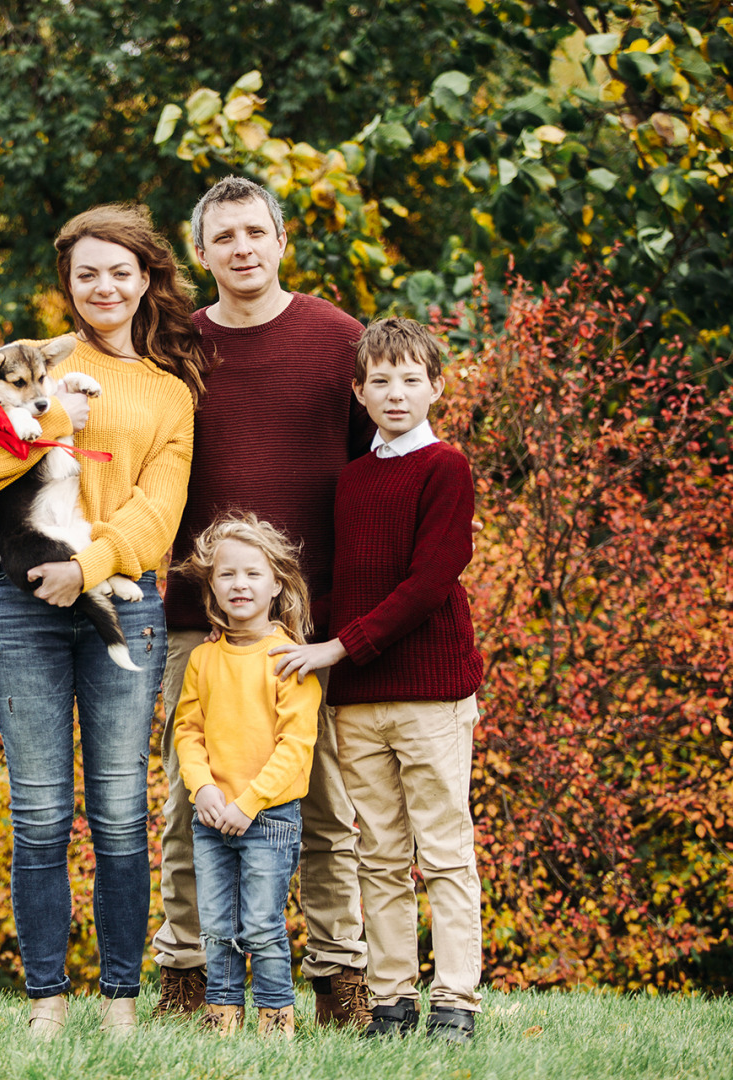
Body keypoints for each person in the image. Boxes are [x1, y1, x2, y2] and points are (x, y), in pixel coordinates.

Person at [0, 203, 206, 1038]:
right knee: (43, 812)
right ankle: (47, 1005)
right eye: (86, 272)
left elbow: (160, 514)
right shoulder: (26, 371)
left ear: (145, 280)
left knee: (123, 812)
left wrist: (84, 569)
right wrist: (53, 417)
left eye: (120, 271)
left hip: (118, 596)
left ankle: (121, 1003)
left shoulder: (169, 394)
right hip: (18, 609)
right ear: (69, 283)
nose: (104, 286)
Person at [154, 176, 376, 1027]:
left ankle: (340, 981)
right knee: (189, 803)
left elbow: (371, 469)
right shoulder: (175, 344)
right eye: (225, 237)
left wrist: (346, 617)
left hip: (302, 631)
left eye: (257, 232)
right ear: (202, 253)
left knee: (319, 805)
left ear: (282, 240)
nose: (242, 249)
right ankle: (188, 978)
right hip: (195, 621)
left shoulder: (337, 341)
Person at [272, 317, 485, 1044]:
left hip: (431, 692)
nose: (397, 393)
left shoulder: (445, 468)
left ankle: (456, 1000)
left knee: (444, 850)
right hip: (359, 699)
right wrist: (286, 634)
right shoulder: (354, 478)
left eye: (411, 379)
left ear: (436, 386)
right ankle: (391, 1001)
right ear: (358, 391)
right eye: (381, 381)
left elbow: (430, 581)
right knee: (380, 853)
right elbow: (345, 585)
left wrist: (340, 647)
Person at [170, 513, 322, 1040]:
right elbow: (187, 732)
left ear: (276, 583)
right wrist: (204, 788)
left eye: (253, 574)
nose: (240, 584)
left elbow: (295, 748)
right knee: (215, 926)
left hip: (268, 819)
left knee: (261, 926)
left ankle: (275, 1021)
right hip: (212, 817)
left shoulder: (288, 659)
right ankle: (222, 1019)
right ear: (212, 585)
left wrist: (249, 802)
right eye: (228, 574)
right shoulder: (204, 659)